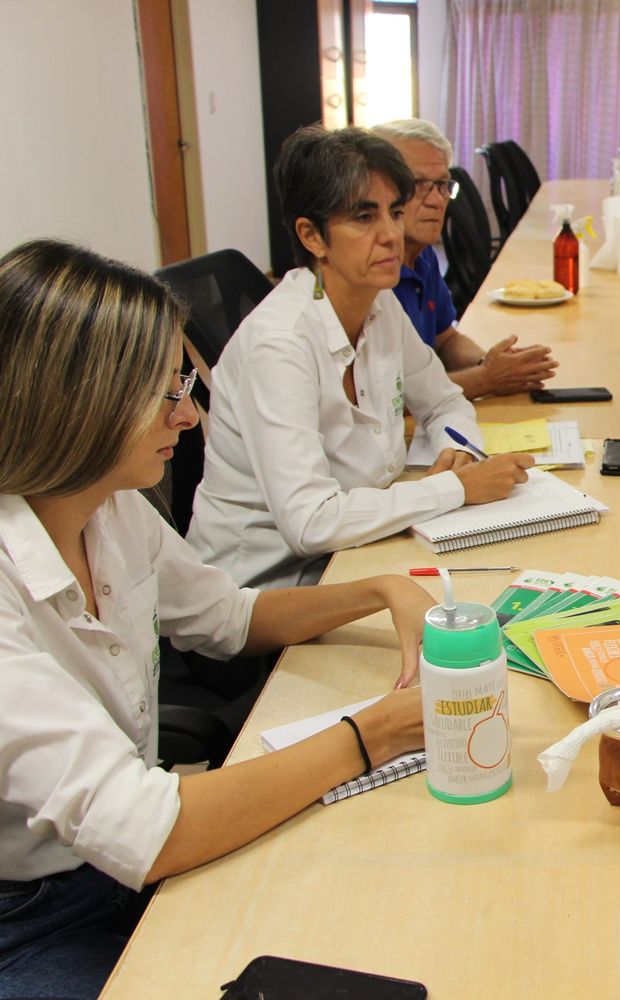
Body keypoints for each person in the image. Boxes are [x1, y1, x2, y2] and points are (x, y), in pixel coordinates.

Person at [0, 239, 430, 999]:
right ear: (79, 401)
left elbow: (228, 616)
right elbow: (148, 828)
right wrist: (371, 736)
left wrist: (383, 590)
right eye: (166, 391)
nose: (190, 415)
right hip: (33, 918)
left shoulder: (108, 509)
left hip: (127, 858)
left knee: (369, 919)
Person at [187, 126, 535, 589]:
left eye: (394, 212)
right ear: (312, 236)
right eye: (364, 218)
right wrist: (453, 488)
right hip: (268, 591)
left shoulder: (377, 301)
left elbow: (444, 402)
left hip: (359, 549)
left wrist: (459, 452)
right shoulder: (280, 346)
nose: (392, 234)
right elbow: (311, 523)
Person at [371, 118, 557, 400]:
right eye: (419, 184)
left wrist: (489, 363)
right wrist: (485, 380)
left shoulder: (423, 256)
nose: (437, 200)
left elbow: (445, 339)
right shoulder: (371, 274)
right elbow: (384, 399)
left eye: (443, 185)